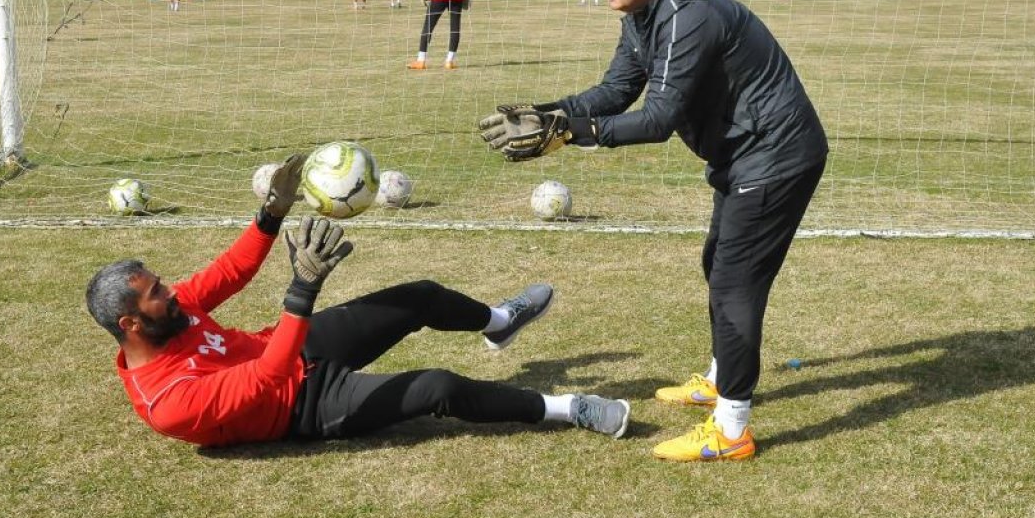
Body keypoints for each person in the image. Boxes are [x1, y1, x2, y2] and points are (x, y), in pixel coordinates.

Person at [477, 0, 827, 463]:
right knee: (718, 264)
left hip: (776, 157)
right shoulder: (644, 17)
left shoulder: (692, 14)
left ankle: (732, 429)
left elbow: (658, 119)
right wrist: (547, 113)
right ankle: (719, 377)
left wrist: (569, 133)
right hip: (744, 157)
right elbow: (614, 93)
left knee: (736, 283)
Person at [84, 155, 631, 448]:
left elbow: (230, 272)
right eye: (158, 293)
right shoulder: (168, 404)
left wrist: (270, 214)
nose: (173, 292)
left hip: (292, 348)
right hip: (301, 407)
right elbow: (266, 381)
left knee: (418, 296)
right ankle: (568, 409)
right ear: (131, 323)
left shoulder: (173, 316)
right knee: (436, 387)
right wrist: (302, 288)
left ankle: (499, 321)